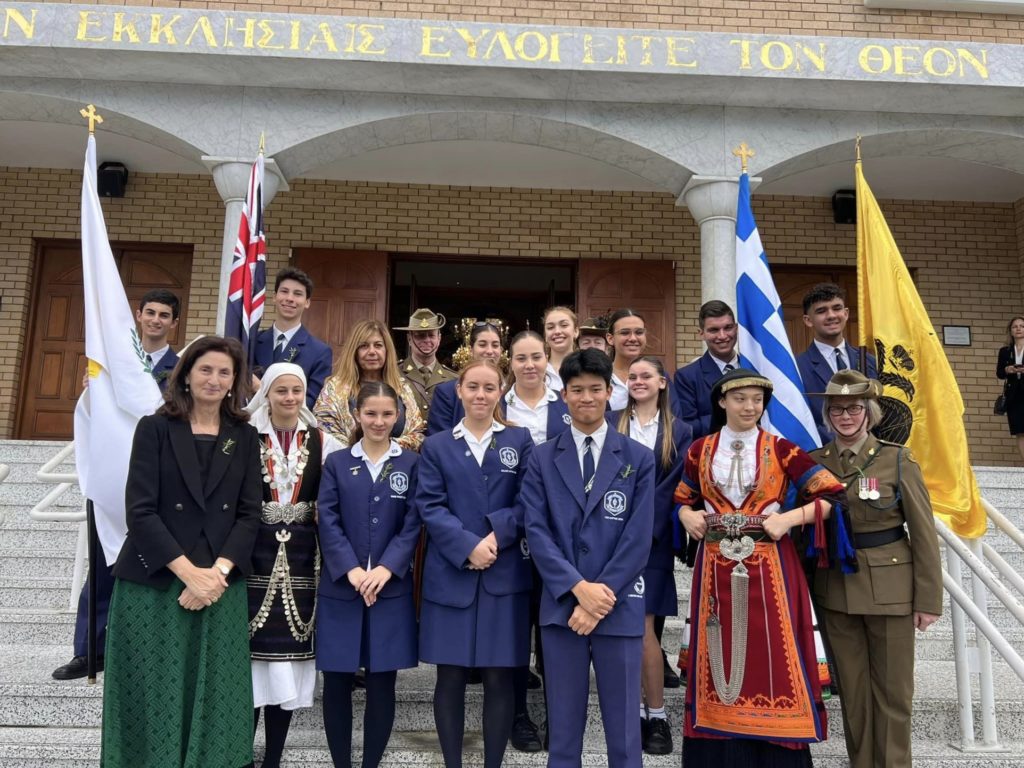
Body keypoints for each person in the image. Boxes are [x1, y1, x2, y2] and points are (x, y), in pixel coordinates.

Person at [673, 368, 853, 766]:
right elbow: (681, 498)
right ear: (722, 402)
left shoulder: (782, 448)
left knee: (772, 656)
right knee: (717, 652)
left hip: (772, 566)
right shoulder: (699, 449)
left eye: (757, 400)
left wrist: (788, 520)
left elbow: (833, 498)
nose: (749, 407)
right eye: (740, 399)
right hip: (713, 570)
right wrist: (686, 517)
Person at [100, 336, 262, 768]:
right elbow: (141, 511)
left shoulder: (244, 437)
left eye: (224, 372)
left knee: (217, 693)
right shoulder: (154, 429)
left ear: (235, 382)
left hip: (219, 585)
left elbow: (249, 515)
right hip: (155, 582)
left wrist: (216, 574)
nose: (214, 379)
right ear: (186, 374)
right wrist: (190, 573)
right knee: (154, 690)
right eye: (205, 369)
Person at [522, 349, 655, 768]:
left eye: (594, 389)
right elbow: (537, 532)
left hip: (619, 606)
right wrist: (579, 590)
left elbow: (638, 537)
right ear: (563, 395)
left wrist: (600, 596)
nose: (585, 398)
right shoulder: (541, 458)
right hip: (563, 608)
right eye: (576, 390)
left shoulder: (638, 457)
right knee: (562, 733)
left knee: (624, 735)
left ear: (609, 392)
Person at [808, 369, 942, 768]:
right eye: (836, 409)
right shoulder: (816, 463)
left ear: (869, 413)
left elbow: (923, 532)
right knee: (853, 693)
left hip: (892, 590)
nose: (845, 416)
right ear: (827, 414)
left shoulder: (895, 459)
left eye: (853, 408)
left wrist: (928, 599)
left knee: (894, 694)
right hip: (835, 590)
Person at [53, 287, 182, 681]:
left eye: (164, 315)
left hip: (159, 482)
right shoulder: (110, 363)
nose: (156, 320)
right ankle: (88, 651)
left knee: (158, 565)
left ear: (174, 324)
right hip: (114, 477)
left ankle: (147, 654)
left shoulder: (182, 369)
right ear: (138, 316)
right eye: (150, 313)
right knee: (104, 563)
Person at [417, 360, 535, 768]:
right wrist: (467, 545)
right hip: (452, 576)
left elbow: (529, 501)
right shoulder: (436, 446)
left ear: (500, 391)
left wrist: (496, 537)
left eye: (489, 387)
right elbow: (429, 505)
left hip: (505, 576)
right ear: (459, 392)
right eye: (473, 387)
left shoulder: (520, 441)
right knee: (449, 676)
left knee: (500, 676)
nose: (481, 395)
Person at [317, 381, 422, 768]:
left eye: (387, 414)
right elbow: (327, 521)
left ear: (398, 416)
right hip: (342, 590)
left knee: (382, 684)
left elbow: (413, 523)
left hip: (389, 590)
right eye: (371, 413)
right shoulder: (337, 463)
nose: (379, 422)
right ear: (357, 415)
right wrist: (352, 571)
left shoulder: (410, 464)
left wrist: (384, 568)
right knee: (337, 682)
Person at [244, 363, 343, 768]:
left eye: (296, 391)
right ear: (266, 393)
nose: (288, 398)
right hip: (253, 553)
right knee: (251, 662)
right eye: (280, 390)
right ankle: (240, 753)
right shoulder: (245, 437)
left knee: (287, 663)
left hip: (304, 556)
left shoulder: (324, 440)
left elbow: (339, 490)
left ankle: (274, 758)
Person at [607, 355, 691, 756]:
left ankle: (655, 715)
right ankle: (630, 712)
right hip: (609, 539)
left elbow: (675, 486)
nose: (638, 381)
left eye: (647, 376)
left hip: (652, 542)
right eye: (632, 376)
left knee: (645, 632)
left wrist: (640, 526)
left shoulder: (682, 430)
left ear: (662, 382)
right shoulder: (611, 423)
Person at [502, 330, 573, 752]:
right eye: (521, 358)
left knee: (554, 631)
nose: (529, 365)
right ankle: (517, 716)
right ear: (509, 362)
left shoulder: (565, 404)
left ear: (547, 359)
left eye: (536, 357)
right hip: (511, 531)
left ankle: (556, 717)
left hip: (560, 532)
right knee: (515, 629)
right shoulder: (498, 405)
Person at [313, 319, 424, 451]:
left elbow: (417, 433)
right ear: (354, 351)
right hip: (349, 465)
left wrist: (387, 448)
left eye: (378, 345)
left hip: (398, 465)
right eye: (364, 346)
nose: (372, 351)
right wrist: (363, 451)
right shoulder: (334, 389)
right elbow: (324, 434)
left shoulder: (402, 388)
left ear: (387, 350)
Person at [795, 282, 877, 443]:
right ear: (808, 320)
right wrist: (842, 446)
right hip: (822, 457)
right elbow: (802, 419)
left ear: (846, 313)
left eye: (837, 308)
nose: (831, 315)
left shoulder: (870, 361)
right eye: (821, 311)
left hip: (870, 457)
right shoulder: (797, 368)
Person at [254, 268, 333, 408]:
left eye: (297, 294)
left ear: (307, 302)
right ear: (274, 296)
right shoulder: (253, 342)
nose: (289, 298)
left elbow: (311, 402)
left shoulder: (320, 352)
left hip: (292, 428)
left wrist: (261, 390)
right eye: (284, 291)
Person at [670, 300, 739, 440]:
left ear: (736, 328)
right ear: (701, 333)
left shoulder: (755, 368)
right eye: (714, 330)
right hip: (711, 454)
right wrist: (732, 415)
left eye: (728, 327)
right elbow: (686, 426)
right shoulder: (686, 377)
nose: (722, 336)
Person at [426, 321, 504, 435]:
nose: (489, 351)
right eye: (482, 344)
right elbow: (439, 442)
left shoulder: (511, 392)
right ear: (471, 349)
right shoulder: (446, 393)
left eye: (495, 345)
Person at [394, 308, 457, 421]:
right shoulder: (393, 374)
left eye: (431, 335)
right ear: (409, 339)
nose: (427, 340)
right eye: (420, 336)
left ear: (439, 338)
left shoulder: (453, 379)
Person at [606, 309, 647, 411]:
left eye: (639, 332)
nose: (633, 338)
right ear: (610, 339)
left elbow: (672, 417)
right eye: (625, 333)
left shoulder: (659, 375)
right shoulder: (599, 376)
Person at [997, 315, 1024, 462]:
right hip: (1014, 395)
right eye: (1015, 327)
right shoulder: (1005, 351)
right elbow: (999, 373)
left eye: (1021, 326)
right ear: (1011, 331)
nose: (1018, 329)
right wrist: (1008, 369)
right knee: (1020, 431)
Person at [542, 306, 579, 391]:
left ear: (576, 331)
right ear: (545, 336)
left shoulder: (588, 366)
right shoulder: (538, 370)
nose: (557, 331)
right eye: (550, 327)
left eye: (564, 325)